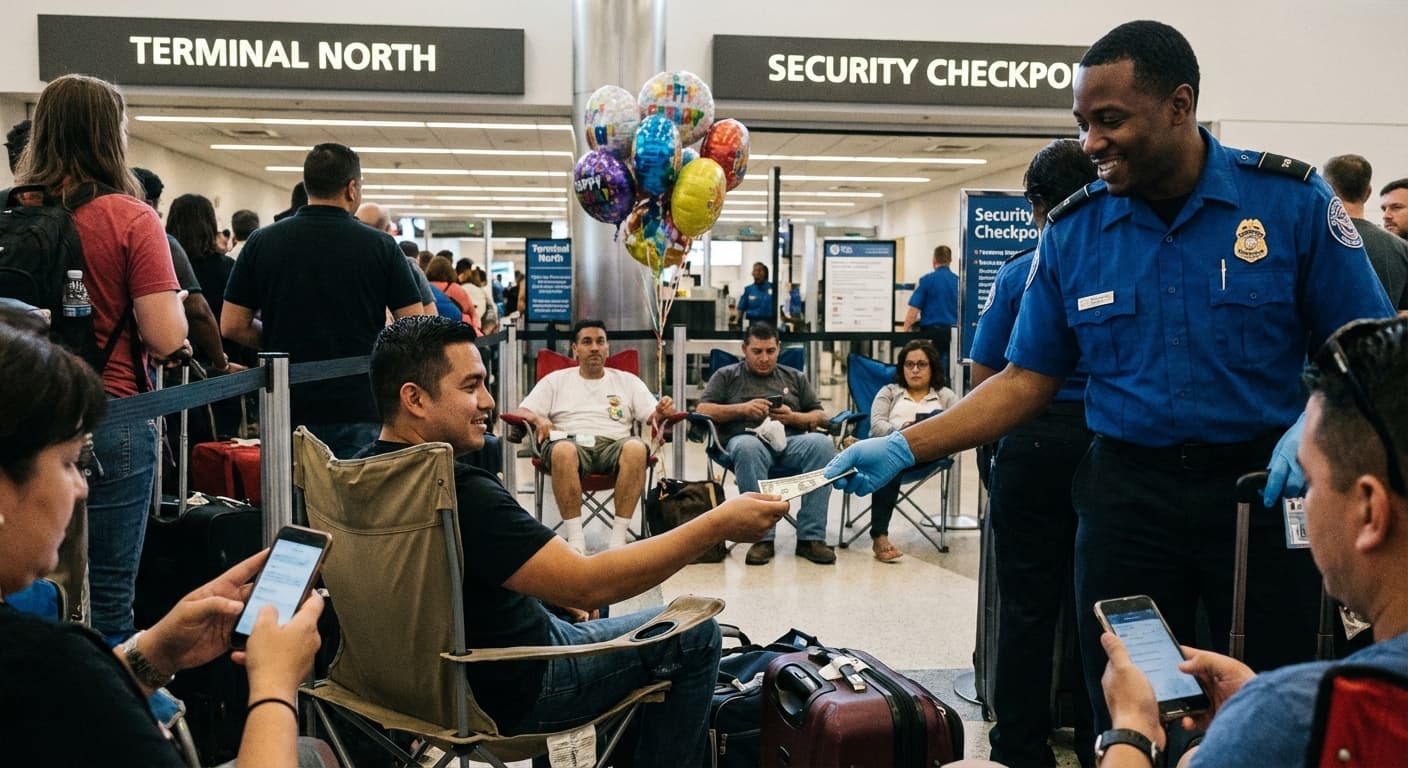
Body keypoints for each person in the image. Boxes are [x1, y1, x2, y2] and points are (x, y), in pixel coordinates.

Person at [825, 20, 1395, 732]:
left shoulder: (1289, 201)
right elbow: (1026, 378)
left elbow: (1368, 346)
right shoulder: (1075, 231)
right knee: (1132, 703)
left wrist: (1313, 424)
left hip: (1259, 493)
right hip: (1129, 499)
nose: (1090, 142)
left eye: (1110, 120)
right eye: (1083, 123)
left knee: (1270, 697)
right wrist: (910, 444)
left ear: (1180, 106)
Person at [360, 315, 789, 766]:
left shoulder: (355, 479)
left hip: (413, 689)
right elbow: (588, 584)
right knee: (695, 632)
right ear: (415, 398)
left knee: (577, 606)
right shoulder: (460, 492)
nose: (487, 401)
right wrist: (717, 523)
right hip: (516, 689)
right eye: (471, 386)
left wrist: (553, 593)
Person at [0, 318, 327, 768]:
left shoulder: (56, 677)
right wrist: (274, 687)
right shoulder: (50, 665)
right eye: (70, 462)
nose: (81, 488)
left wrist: (156, 652)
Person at [1098, 316, 1408, 768]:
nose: (1306, 501)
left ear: (1368, 511)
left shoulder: (1301, 718)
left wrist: (1132, 732)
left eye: (1312, 483)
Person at [16, 74, 190, 640]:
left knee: (24, 587)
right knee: (109, 590)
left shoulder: (13, 214)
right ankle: (111, 711)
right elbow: (164, 337)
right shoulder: (131, 217)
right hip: (113, 414)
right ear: (110, 136)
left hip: (23, 418)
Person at [969, 138, 1098, 768]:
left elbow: (983, 374)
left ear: (1034, 203)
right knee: (1100, 600)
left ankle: (1019, 742)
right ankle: (1102, 732)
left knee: (1026, 603)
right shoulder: (1117, 258)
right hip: (1109, 447)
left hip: (1034, 439)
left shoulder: (1023, 269)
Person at [222, 143, 424, 459]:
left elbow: (232, 325)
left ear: (308, 185)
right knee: (358, 503)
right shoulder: (382, 246)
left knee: (286, 504)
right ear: (352, 188)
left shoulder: (263, 241)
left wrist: (279, 338)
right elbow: (414, 324)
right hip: (360, 401)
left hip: (285, 401)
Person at [509, 320, 675, 554]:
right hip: (568, 442)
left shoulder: (627, 381)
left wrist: (662, 411)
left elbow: (652, 414)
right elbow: (522, 411)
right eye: (587, 342)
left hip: (614, 445)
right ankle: (576, 542)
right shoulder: (556, 380)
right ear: (575, 349)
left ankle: (618, 540)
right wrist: (539, 420)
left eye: (600, 342)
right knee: (563, 450)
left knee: (637, 448)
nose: (594, 347)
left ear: (608, 348)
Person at [697, 322, 837, 565]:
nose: (764, 358)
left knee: (822, 444)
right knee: (746, 447)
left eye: (770, 351)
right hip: (749, 444)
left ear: (779, 348)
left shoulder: (795, 377)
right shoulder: (727, 376)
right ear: (744, 349)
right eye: (757, 351)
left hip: (791, 444)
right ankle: (761, 538)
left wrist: (794, 417)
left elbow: (821, 417)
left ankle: (810, 538)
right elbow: (703, 409)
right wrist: (742, 409)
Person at [865, 339, 958, 563]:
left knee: (891, 459)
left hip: (929, 454)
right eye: (909, 364)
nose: (915, 370)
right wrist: (902, 433)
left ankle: (879, 535)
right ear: (902, 368)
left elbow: (958, 428)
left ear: (932, 367)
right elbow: (876, 425)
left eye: (921, 364)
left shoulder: (945, 396)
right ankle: (879, 537)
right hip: (892, 449)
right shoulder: (889, 392)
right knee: (891, 460)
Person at [1323, 155, 1408, 309]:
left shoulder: (1307, 241)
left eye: (1397, 207)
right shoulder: (1402, 249)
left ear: (1326, 189)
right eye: (1384, 208)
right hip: (1381, 332)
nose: (1386, 215)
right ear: (1368, 193)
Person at [903, 245, 959, 371]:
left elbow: (913, 311)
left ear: (934, 260)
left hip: (932, 334)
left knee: (931, 369)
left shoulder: (927, 280)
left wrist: (903, 335)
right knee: (952, 370)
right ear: (950, 260)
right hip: (954, 335)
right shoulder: (959, 281)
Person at [425, 255, 481, 333]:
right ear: (450, 271)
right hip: (456, 333)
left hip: (432, 333)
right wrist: (476, 329)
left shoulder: (425, 287)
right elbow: (472, 312)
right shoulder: (455, 288)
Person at [735, 261, 776, 327]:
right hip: (753, 324)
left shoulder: (773, 288)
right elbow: (741, 309)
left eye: (760, 270)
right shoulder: (748, 290)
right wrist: (737, 323)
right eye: (755, 271)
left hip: (769, 324)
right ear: (752, 273)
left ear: (764, 273)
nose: (757, 273)